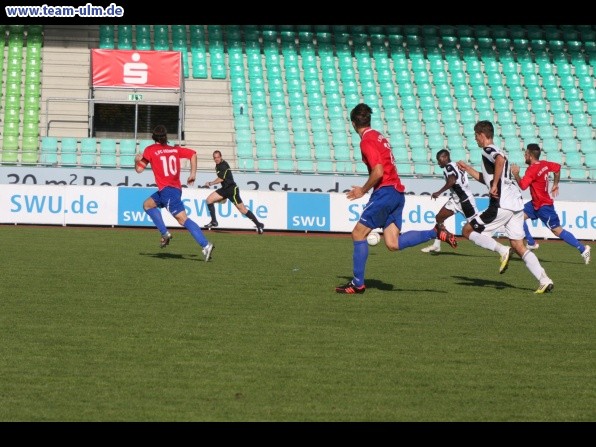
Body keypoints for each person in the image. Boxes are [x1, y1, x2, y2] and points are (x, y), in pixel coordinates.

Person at [335, 103, 458, 294]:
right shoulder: (378, 136)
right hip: (397, 193)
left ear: (353, 123)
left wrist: (363, 190)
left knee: (358, 234)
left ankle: (358, 283)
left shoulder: (366, 141)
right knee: (392, 243)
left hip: (385, 192)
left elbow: (378, 171)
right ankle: (434, 232)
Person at [457, 121, 554, 293]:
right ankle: (544, 279)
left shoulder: (489, 150)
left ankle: (502, 250)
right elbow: (485, 177)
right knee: (519, 245)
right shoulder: (498, 152)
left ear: (482, 134)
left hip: (502, 203)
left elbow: (499, 162)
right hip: (516, 205)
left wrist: (494, 185)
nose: (475, 139)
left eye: (476, 135)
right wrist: (467, 168)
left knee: (467, 230)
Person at [134, 125, 214, 262]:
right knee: (147, 205)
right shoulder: (174, 150)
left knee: (183, 219)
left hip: (167, 191)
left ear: (154, 138)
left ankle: (205, 245)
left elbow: (139, 170)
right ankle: (165, 233)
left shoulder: (150, 150)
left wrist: (136, 160)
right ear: (166, 137)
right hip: (173, 189)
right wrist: (192, 174)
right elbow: (193, 154)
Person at [423, 149, 512, 262]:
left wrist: (439, 192)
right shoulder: (456, 165)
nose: (438, 162)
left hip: (465, 201)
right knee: (439, 218)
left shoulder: (449, 167)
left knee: (476, 229)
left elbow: (452, 180)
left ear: (444, 157)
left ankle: (501, 247)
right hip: (456, 200)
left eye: (439, 159)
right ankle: (437, 244)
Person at [511, 143, 591, 265]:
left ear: (531, 156)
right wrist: (555, 184)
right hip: (535, 204)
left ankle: (583, 249)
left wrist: (516, 174)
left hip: (544, 206)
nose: (524, 156)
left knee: (557, 231)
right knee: (517, 217)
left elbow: (522, 186)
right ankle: (531, 243)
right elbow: (557, 169)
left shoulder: (531, 170)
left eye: (526, 154)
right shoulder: (544, 164)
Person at [203, 150, 265, 234]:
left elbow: (221, 178)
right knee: (209, 200)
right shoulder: (217, 166)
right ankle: (214, 221)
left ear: (221, 157)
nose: (216, 159)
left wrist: (210, 183)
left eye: (218, 157)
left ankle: (259, 224)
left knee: (243, 210)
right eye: (215, 158)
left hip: (232, 190)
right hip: (225, 189)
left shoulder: (224, 165)